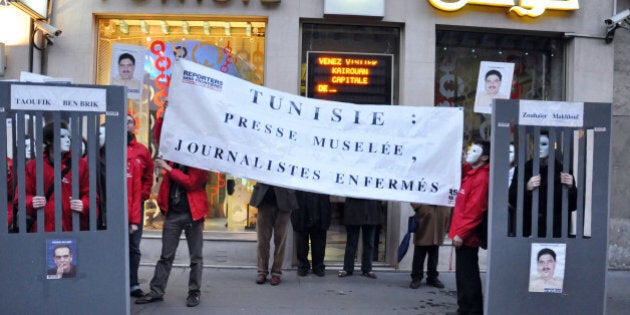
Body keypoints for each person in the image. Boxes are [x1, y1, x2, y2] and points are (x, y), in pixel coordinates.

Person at [135, 156, 209, 307]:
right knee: (166, 256)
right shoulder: (173, 160)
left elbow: (191, 182)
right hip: (173, 214)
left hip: (193, 215)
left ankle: (194, 292)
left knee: (196, 257)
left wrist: (168, 169)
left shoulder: (200, 161)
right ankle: (156, 291)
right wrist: (163, 207)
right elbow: (165, 186)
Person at [19, 121, 92, 232]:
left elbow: (91, 195)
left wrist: (84, 204)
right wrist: (31, 201)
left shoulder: (81, 165)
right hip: (42, 228)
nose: (68, 140)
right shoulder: (33, 166)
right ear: (49, 141)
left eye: (69, 137)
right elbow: (21, 196)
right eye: (62, 136)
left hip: (73, 227)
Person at [447, 139, 490, 315]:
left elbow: (475, 210)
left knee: (468, 274)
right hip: (462, 231)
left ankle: (472, 310)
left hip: (467, 235)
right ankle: (464, 308)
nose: (470, 153)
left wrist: (461, 234)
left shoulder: (481, 178)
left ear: (485, 157)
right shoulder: (473, 174)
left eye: (475, 151)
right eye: (469, 150)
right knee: (463, 274)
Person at [508, 132, 576, 237]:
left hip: (555, 230)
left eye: (544, 144)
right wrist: (527, 188)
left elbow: (573, 205)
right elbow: (512, 199)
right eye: (536, 144)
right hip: (529, 228)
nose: (539, 148)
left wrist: (571, 188)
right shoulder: (524, 169)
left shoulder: (563, 171)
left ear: (552, 146)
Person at [126, 114, 155, 297]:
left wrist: (143, 195)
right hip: (114, 207)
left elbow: (149, 175)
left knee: (134, 246)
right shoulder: (109, 147)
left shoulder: (142, 151)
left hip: (136, 206)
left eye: (129, 122)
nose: (125, 125)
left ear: (134, 126)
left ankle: (133, 283)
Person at [249, 183, 298, 286]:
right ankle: (262, 271)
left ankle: (276, 272)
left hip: (284, 200)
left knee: (280, 241)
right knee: (262, 240)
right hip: (264, 199)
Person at [338, 198, 383, 279]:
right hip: (355, 208)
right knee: (352, 242)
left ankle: (367, 268)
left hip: (370, 210)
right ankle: (348, 268)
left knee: (368, 242)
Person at [408, 203, 450, 289]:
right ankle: (416, 277)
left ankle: (432, 277)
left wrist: (447, 210)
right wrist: (419, 207)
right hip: (425, 212)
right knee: (420, 249)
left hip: (439, 213)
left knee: (434, 251)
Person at [292, 191, 332, 277]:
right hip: (302, 207)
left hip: (320, 206)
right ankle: (303, 265)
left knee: (319, 241)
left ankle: (318, 266)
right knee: (302, 242)